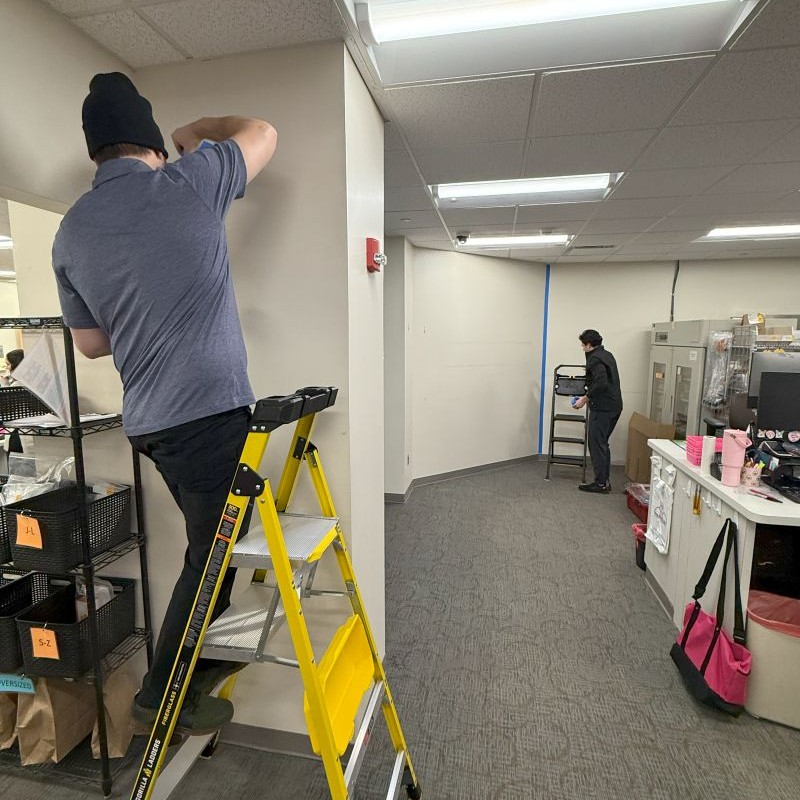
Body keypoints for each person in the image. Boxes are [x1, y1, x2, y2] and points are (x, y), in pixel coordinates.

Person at [51, 72, 277, 736]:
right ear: (152, 143)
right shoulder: (187, 179)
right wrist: (197, 131)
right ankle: (160, 693)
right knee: (210, 556)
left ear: (95, 150)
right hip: (209, 414)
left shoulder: (71, 231)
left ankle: (194, 665)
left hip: (152, 425)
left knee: (217, 546)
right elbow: (263, 133)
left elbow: (91, 344)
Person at [573, 329, 623, 494]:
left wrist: (584, 399)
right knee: (602, 444)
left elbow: (600, 383)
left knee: (596, 444)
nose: (582, 348)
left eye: (583, 345)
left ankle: (600, 484)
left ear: (589, 345)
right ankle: (604, 482)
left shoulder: (595, 359)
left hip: (603, 408)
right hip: (614, 406)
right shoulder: (607, 355)